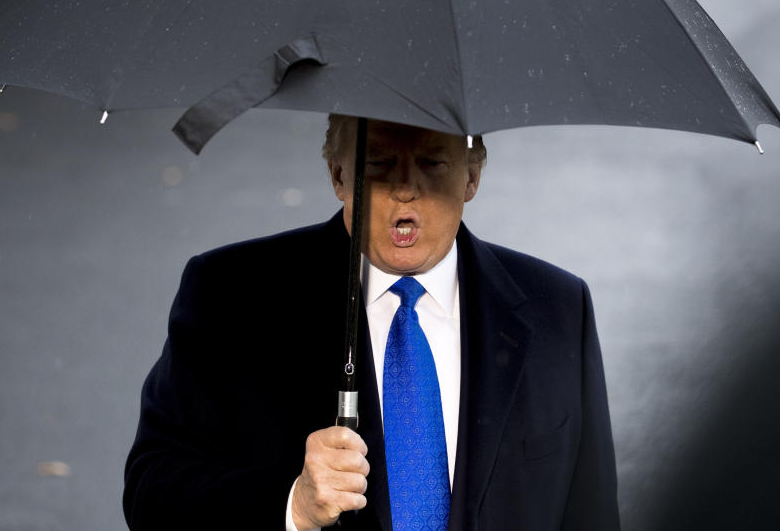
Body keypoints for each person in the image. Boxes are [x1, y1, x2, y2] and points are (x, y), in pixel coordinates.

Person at [123, 115, 620, 530]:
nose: (406, 187)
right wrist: (293, 504)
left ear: (471, 175)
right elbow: (153, 491)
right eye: (379, 164)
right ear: (338, 174)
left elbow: (591, 512)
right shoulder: (230, 294)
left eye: (432, 162)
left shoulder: (557, 308)